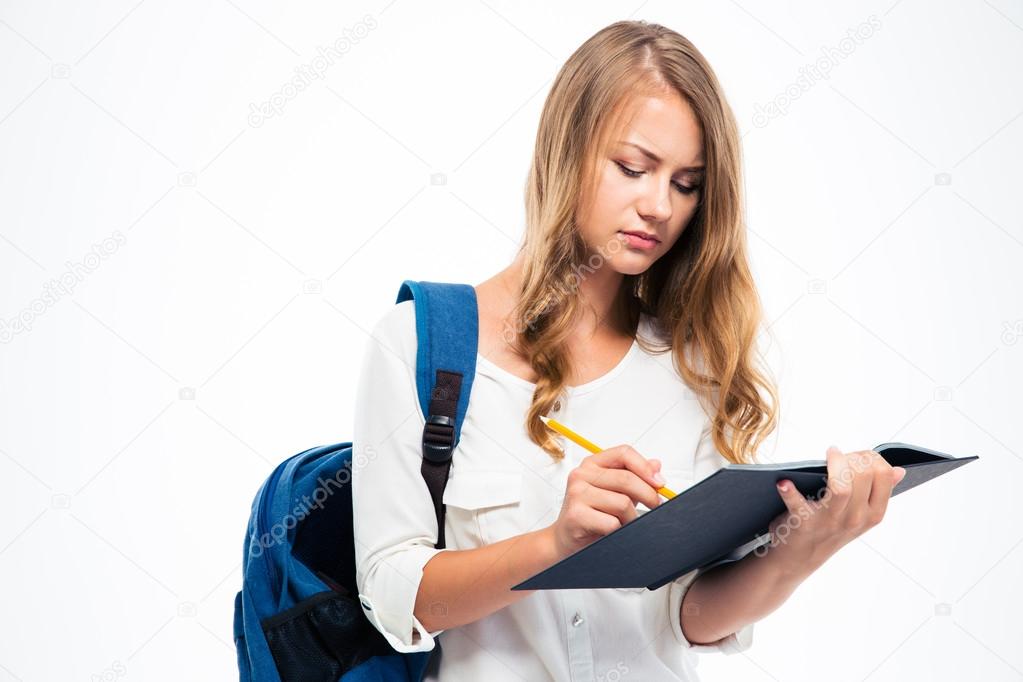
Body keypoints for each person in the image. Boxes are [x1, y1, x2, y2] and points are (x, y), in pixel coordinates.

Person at [351, 19, 906, 681]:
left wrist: (800, 550)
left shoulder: (690, 365)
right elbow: (391, 598)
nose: (658, 207)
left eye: (685, 184)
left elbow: (687, 617)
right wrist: (555, 544)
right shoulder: (420, 344)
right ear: (567, 150)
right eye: (633, 167)